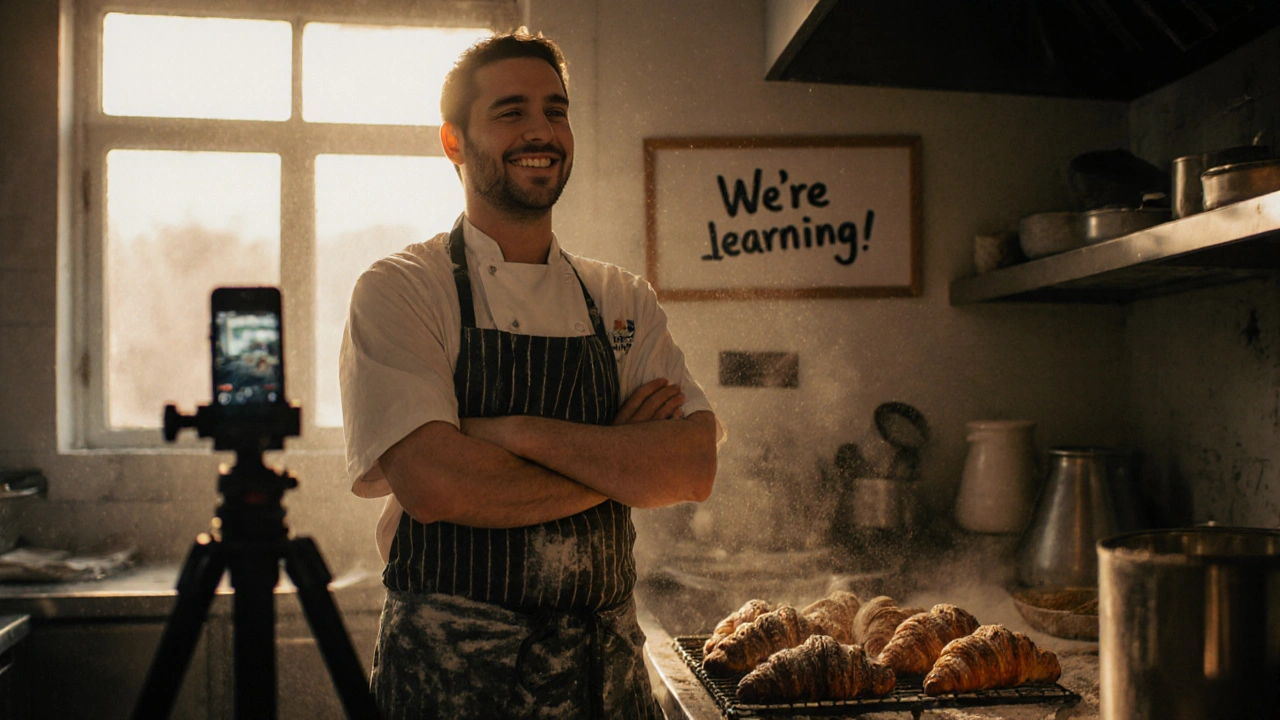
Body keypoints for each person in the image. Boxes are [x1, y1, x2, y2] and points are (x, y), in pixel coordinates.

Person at [339, 29, 724, 719]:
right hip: (450, 679)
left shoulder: (622, 300)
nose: (541, 130)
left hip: (602, 676)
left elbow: (691, 466)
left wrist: (509, 432)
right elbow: (434, 484)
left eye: (556, 109)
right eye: (511, 111)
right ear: (453, 141)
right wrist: (617, 462)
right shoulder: (402, 289)